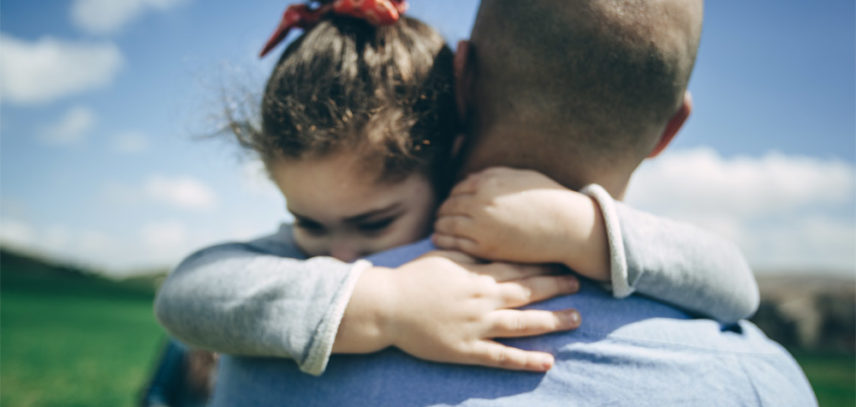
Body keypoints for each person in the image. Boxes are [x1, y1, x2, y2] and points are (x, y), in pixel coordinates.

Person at [157, 0, 817, 405]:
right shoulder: (759, 381)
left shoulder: (261, 365)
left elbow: (735, 280)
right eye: (306, 222)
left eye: (374, 222)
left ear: (459, 94)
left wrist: (584, 229)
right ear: (672, 128)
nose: (339, 253)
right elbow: (187, 292)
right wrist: (386, 305)